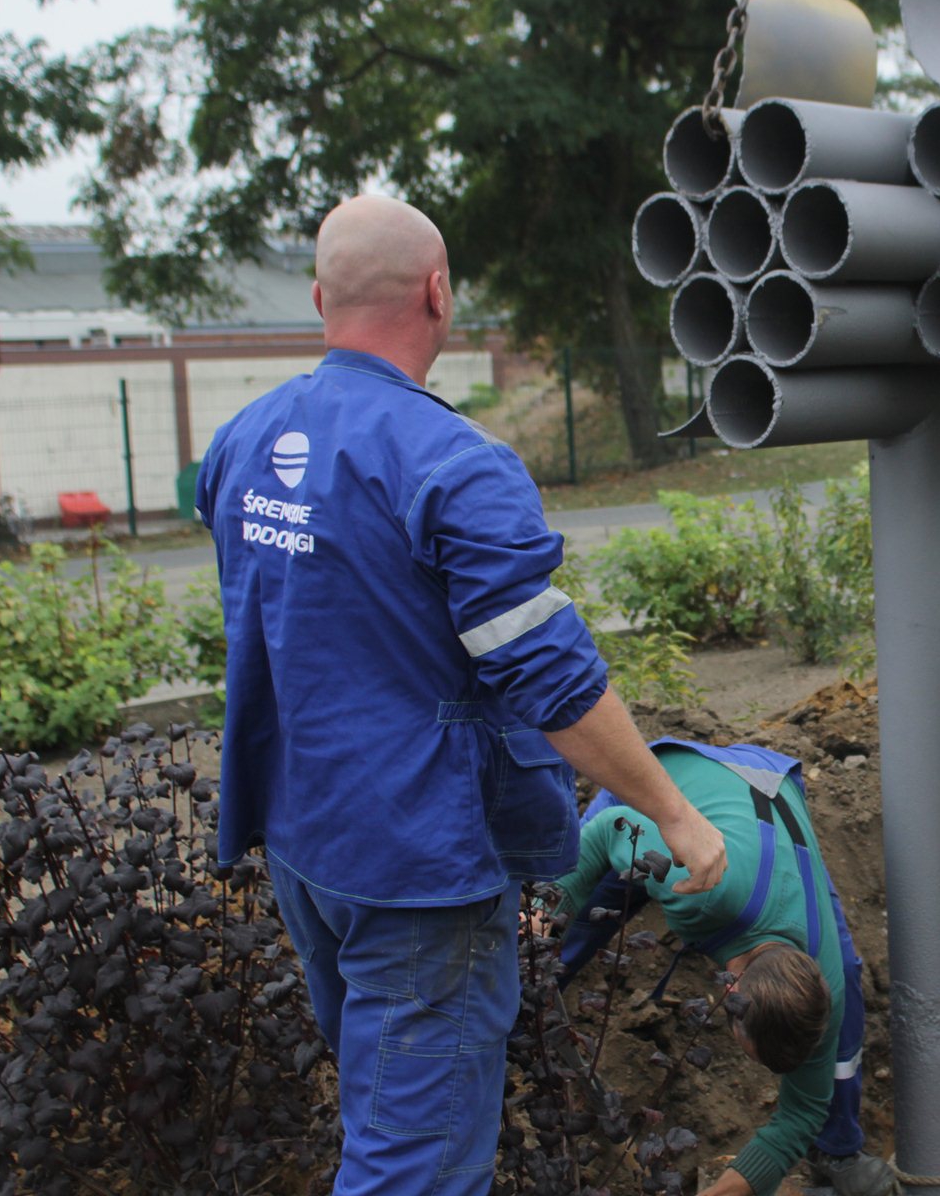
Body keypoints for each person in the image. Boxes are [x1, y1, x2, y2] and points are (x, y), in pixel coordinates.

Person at [196, 194, 728, 1196]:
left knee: (384, 1111)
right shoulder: (451, 462)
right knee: (415, 1166)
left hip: (307, 848)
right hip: (413, 870)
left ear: (320, 298)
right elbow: (549, 674)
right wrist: (673, 810)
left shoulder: (242, 441)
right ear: (439, 293)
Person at [542, 738, 892, 1196]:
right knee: (565, 931)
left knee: (848, 967)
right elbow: (612, 830)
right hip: (665, 784)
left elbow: (802, 1113)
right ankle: (515, 1006)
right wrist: (543, 912)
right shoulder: (703, 893)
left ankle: (838, 1147)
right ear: (729, 992)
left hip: (768, 794)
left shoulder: (826, 987)